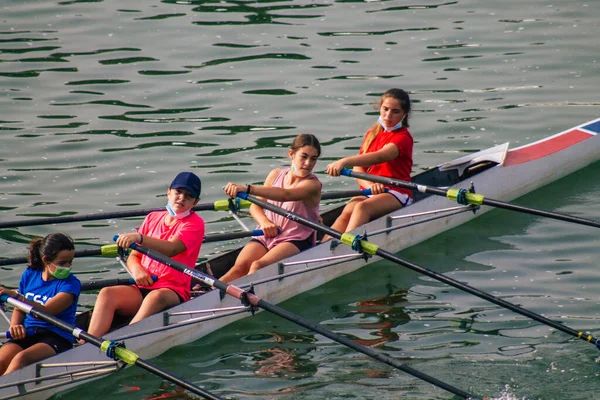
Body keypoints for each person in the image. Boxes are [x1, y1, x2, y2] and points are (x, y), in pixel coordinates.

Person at [86, 172, 205, 338]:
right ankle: (89, 342)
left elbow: (171, 249)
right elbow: (134, 256)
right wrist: (137, 271)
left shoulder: (195, 223)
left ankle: (124, 340)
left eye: (189, 196)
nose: (182, 198)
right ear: (168, 192)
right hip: (143, 286)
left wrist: (139, 237)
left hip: (172, 291)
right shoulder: (152, 218)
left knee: (155, 297)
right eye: (178, 192)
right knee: (107, 293)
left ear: (195, 202)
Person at [220, 134, 322, 283]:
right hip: (268, 233)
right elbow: (256, 206)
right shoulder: (275, 174)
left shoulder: (312, 185)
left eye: (313, 159)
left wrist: (247, 189)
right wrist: (265, 222)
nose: (308, 163)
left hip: (295, 239)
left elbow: (286, 195)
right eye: (304, 157)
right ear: (291, 154)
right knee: (239, 268)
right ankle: (205, 294)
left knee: (258, 266)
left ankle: (245, 300)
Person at [324, 88, 413, 238]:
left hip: (397, 191)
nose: (388, 115)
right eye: (385, 109)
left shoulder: (403, 138)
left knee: (361, 207)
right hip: (372, 191)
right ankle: (324, 245)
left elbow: (380, 156)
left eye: (395, 111)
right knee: (348, 210)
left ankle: (345, 245)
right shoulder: (372, 133)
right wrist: (370, 186)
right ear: (380, 108)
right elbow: (359, 168)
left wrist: (344, 161)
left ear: (404, 114)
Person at [0, 233, 80, 375]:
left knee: (21, 358)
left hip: (57, 336)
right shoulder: (30, 274)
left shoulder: (71, 284)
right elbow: (20, 309)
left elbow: (46, 311)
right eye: (62, 263)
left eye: (70, 262)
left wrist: (18, 296)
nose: (67, 267)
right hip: (29, 332)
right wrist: (15, 325)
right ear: (46, 260)